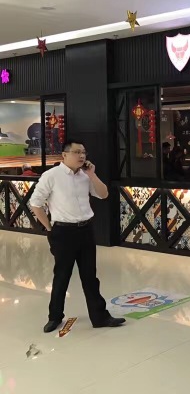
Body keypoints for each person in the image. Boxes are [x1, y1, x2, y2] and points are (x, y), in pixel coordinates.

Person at [29, 140, 125, 333]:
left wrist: (92, 174)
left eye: (83, 152)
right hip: (63, 232)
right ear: (64, 155)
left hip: (86, 230)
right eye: (76, 152)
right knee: (62, 276)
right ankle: (55, 317)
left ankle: (100, 317)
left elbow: (104, 194)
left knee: (90, 276)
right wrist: (49, 228)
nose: (81, 156)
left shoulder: (85, 176)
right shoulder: (52, 175)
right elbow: (35, 203)